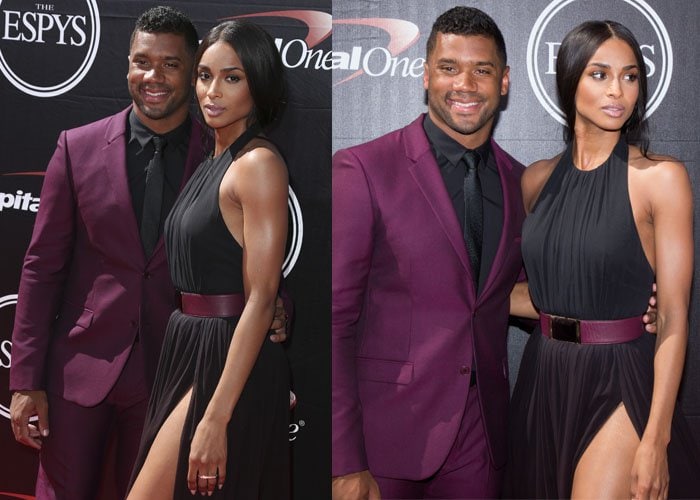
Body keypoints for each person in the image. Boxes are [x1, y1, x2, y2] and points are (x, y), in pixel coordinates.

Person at [8, 7, 287, 500]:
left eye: (173, 65)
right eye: (141, 61)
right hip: (81, 369)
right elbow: (41, 268)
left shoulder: (226, 153)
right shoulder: (78, 147)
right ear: (126, 66)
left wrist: (269, 311)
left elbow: (250, 275)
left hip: (175, 370)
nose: (153, 76)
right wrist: (26, 379)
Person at [332, 7, 526, 498]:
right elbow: (333, 321)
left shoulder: (521, 181)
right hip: (385, 441)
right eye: (448, 67)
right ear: (424, 75)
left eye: (482, 70)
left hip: (481, 441)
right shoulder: (364, 169)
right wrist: (343, 461)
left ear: (503, 82)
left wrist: (624, 306)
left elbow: (517, 292)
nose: (465, 84)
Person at [505, 20, 700, 499]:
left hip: (621, 375)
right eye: (600, 74)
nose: (618, 91)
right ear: (570, 80)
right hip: (544, 374)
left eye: (631, 76)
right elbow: (541, 294)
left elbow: (673, 317)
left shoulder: (660, 178)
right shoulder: (535, 180)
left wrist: (656, 437)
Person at [126, 19, 290, 499]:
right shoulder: (213, 160)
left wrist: (216, 418)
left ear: (258, 85)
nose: (211, 91)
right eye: (204, 75)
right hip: (189, 349)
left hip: (225, 360)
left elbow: (262, 299)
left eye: (231, 77)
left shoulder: (258, 165)